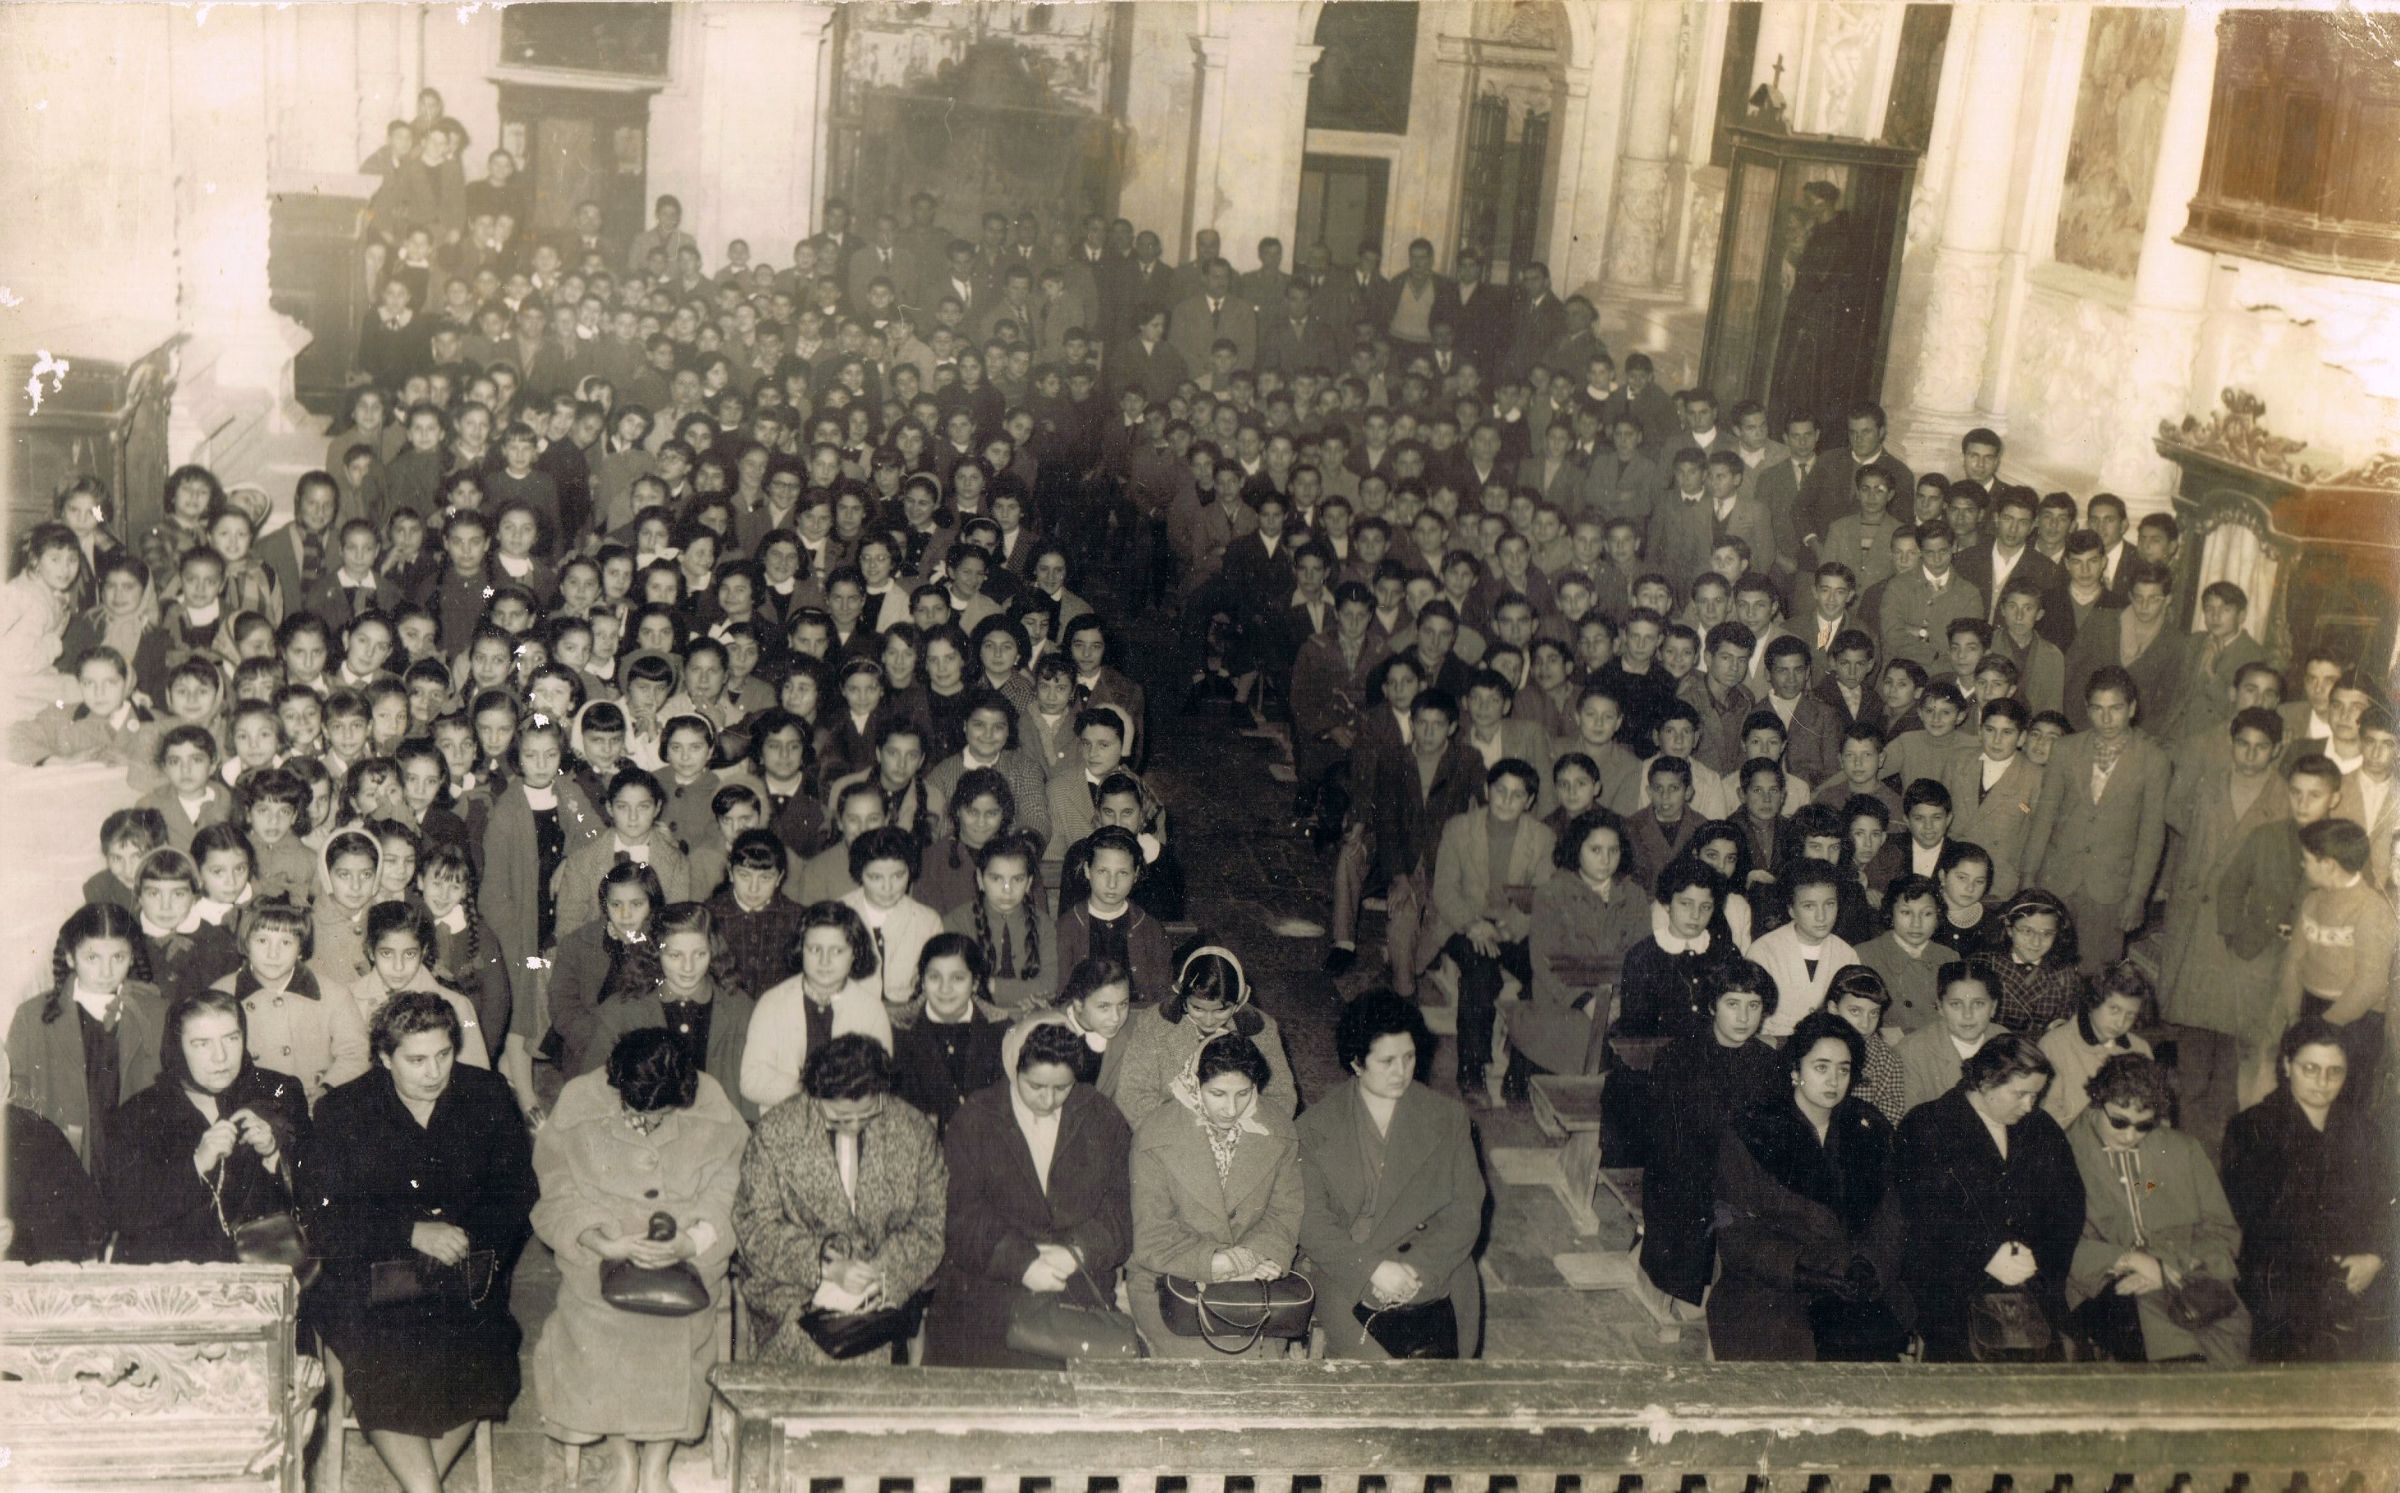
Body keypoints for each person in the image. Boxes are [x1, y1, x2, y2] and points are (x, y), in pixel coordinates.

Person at [302, 991, 537, 1493]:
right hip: (371, 1278)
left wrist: (466, 1241)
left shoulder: (489, 1095)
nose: (434, 1071)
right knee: (388, 1353)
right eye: (415, 1060)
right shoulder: (344, 1111)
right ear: (384, 1059)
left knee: (484, 1350)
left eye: (444, 1054)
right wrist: (409, 1231)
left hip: (463, 1271)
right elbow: (324, 1218)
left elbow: (518, 1195)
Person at [531, 1026, 748, 1493]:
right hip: (601, 1256)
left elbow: (732, 1189)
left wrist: (692, 1241)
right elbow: (556, 1189)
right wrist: (599, 1241)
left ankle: (656, 1467)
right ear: (616, 1083)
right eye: (637, 1114)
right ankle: (622, 1458)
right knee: (597, 1324)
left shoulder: (710, 1104)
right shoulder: (578, 1102)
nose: (647, 1126)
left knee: (680, 1329)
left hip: (687, 1257)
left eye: (661, 1117)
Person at [923, 1015, 1135, 1368]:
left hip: (1076, 1287)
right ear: (1013, 1068)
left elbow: (1120, 1211)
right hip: (990, 1286)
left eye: (1062, 1088)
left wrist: (1076, 1252)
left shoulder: (1101, 1117)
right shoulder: (975, 1118)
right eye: (1035, 1086)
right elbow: (961, 1213)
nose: (1049, 1099)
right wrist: (1021, 1262)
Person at [731, 1033, 948, 1364]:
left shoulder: (914, 1131)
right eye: (840, 1118)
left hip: (886, 1282)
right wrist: (827, 1268)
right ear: (815, 1097)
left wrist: (880, 1273)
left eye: (868, 1113)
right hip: (792, 1284)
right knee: (814, 1346)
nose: (855, 1126)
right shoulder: (775, 1133)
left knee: (864, 1342)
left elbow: (929, 1225)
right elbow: (755, 1227)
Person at [1710, 1009, 1911, 1361]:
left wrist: (1871, 1266)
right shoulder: (1751, 1130)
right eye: (1821, 1067)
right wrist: (1801, 1273)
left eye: (1843, 1069)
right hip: (1775, 1286)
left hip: (1854, 1277)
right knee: (1791, 1362)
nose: (1833, 1080)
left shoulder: (1870, 1128)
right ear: (1795, 1071)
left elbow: (1891, 1216)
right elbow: (1736, 1234)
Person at [1295, 993, 1486, 1358]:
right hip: (1346, 1267)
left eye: (1409, 1057)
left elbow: (1465, 1212)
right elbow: (1312, 1224)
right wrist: (1371, 1270)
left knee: (1452, 1378)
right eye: (1387, 1061)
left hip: (1434, 1260)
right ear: (1355, 1062)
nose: (1401, 1072)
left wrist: (1417, 1272)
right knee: (1382, 1381)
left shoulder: (1447, 1118)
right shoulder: (1314, 1128)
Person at [1895, 1033, 2084, 1361]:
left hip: (2032, 1287)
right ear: (1984, 1080)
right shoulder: (1926, 1126)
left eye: (2036, 1096)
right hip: (1954, 1290)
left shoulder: (2041, 1129)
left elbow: (2067, 1209)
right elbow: (1920, 1219)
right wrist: (1984, 1256)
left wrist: (2034, 1260)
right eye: (2020, 1094)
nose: (2029, 1106)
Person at [2221, 1017, 2395, 1361]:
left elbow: (2387, 1202)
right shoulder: (2253, 1128)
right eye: (2310, 1068)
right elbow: (2260, 1219)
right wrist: (2332, 1264)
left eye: (2335, 1072)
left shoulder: (2365, 1129)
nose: (2322, 1082)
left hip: (2363, 1262)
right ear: (2287, 1065)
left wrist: (2375, 1256)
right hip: (2285, 1268)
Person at [2062, 1053, 2250, 1364]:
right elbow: (2056, 1244)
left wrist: (2169, 1267)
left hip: (2190, 1274)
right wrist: (2128, 1259)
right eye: (2119, 1122)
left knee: (2227, 1353)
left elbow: (2221, 1229)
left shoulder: (2182, 1149)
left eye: (2143, 1126)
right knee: (2178, 1358)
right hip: (2105, 1280)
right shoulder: (2062, 1153)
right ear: (2098, 1101)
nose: (2129, 1136)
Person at [1126, 1031, 1303, 1358]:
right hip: (1170, 1282)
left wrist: (1255, 1255)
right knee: (1204, 1368)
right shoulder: (1155, 1136)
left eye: (1244, 1093)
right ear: (1195, 1085)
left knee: (1259, 1366)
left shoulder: (1279, 1131)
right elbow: (1153, 1236)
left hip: (1254, 1280)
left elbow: (1284, 1214)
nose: (1231, 1108)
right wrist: (1219, 1263)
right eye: (1218, 1094)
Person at [101, 988, 310, 1264]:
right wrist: (197, 1164)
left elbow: (319, 1198)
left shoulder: (279, 1092)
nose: (221, 1057)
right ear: (177, 1047)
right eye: (202, 1044)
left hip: (264, 1272)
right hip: (176, 1279)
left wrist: (274, 1155)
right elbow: (124, 1215)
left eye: (231, 1039)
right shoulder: (140, 1113)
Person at [1637, 959, 1784, 1316]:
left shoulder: (1769, 1064)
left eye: (1754, 1006)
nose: (1744, 1017)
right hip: (1684, 1175)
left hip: (1743, 1179)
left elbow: (1775, 1139)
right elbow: (1664, 1145)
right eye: (1733, 1004)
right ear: (1712, 1005)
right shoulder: (1678, 1057)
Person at [1426, 758, 1556, 1099]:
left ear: (1529, 801)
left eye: (1517, 795)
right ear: (1487, 790)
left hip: (1513, 927)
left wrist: (1506, 929)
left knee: (1542, 976)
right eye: (1501, 791)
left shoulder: (1542, 838)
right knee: (1481, 973)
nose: (1507, 801)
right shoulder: (1459, 828)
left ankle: (1521, 1067)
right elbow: (1444, 889)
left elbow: (1540, 897)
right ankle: (1472, 1068)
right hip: (1464, 923)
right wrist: (1473, 925)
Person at [7, 902, 165, 1173]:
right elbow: (16, 1096)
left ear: (132, 957)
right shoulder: (33, 1016)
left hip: (139, 1160)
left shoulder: (156, 1011)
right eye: (93, 958)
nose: (106, 972)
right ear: (70, 958)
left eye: (118, 957)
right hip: (63, 1159)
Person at [1514, 808, 1649, 1095]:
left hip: (1618, 999)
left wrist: (1620, 1001)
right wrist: (1587, 1001)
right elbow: (1545, 962)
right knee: (1581, 1039)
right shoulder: (1552, 894)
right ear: (1577, 850)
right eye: (1596, 850)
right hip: (1564, 998)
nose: (1606, 860)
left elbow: (1642, 956)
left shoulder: (1634, 896)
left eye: (1613, 851)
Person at [584, 900, 760, 1121]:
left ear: (713, 951)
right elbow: (591, 1090)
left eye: (700, 954)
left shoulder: (739, 1008)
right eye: (675, 956)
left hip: (718, 1131)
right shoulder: (620, 1011)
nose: (688, 968)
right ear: (656, 952)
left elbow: (753, 1098)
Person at [1110, 946, 1297, 1129]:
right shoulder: (1154, 1024)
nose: (1208, 1020)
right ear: (1182, 998)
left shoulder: (1261, 1030)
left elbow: (1281, 1097)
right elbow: (1131, 1095)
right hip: (1171, 1130)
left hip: (1242, 1130)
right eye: (1197, 1008)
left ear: (1239, 1002)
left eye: (1222, 1010)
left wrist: (1234, 1133)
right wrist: (1193, 1132)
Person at [741, 899, 894, 1113]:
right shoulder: (773, 1002)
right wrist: (806, 1092)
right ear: (800, 950)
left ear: (854, 954)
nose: (824, 961)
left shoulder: (870, 1009)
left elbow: (880, 1083)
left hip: (851, 1120)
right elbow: (751, 1079)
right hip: (784, 1118)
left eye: (837, 951)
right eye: (814, 949)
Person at [890, 932, 1008, 1133]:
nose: (945, 988)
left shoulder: (1000, 1030)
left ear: (975, 983)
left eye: (958, 978)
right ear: (922, 981)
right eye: (935, 977)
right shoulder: (898, 1033)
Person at [2038, 961, 2155, 1128]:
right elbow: (2047, 1116)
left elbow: (2150, 1109)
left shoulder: (2140, 1048)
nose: (2121, 1022)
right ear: (2093, 1002)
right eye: (2114, 1010)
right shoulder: (2054, 1044)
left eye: (2130, 1015)